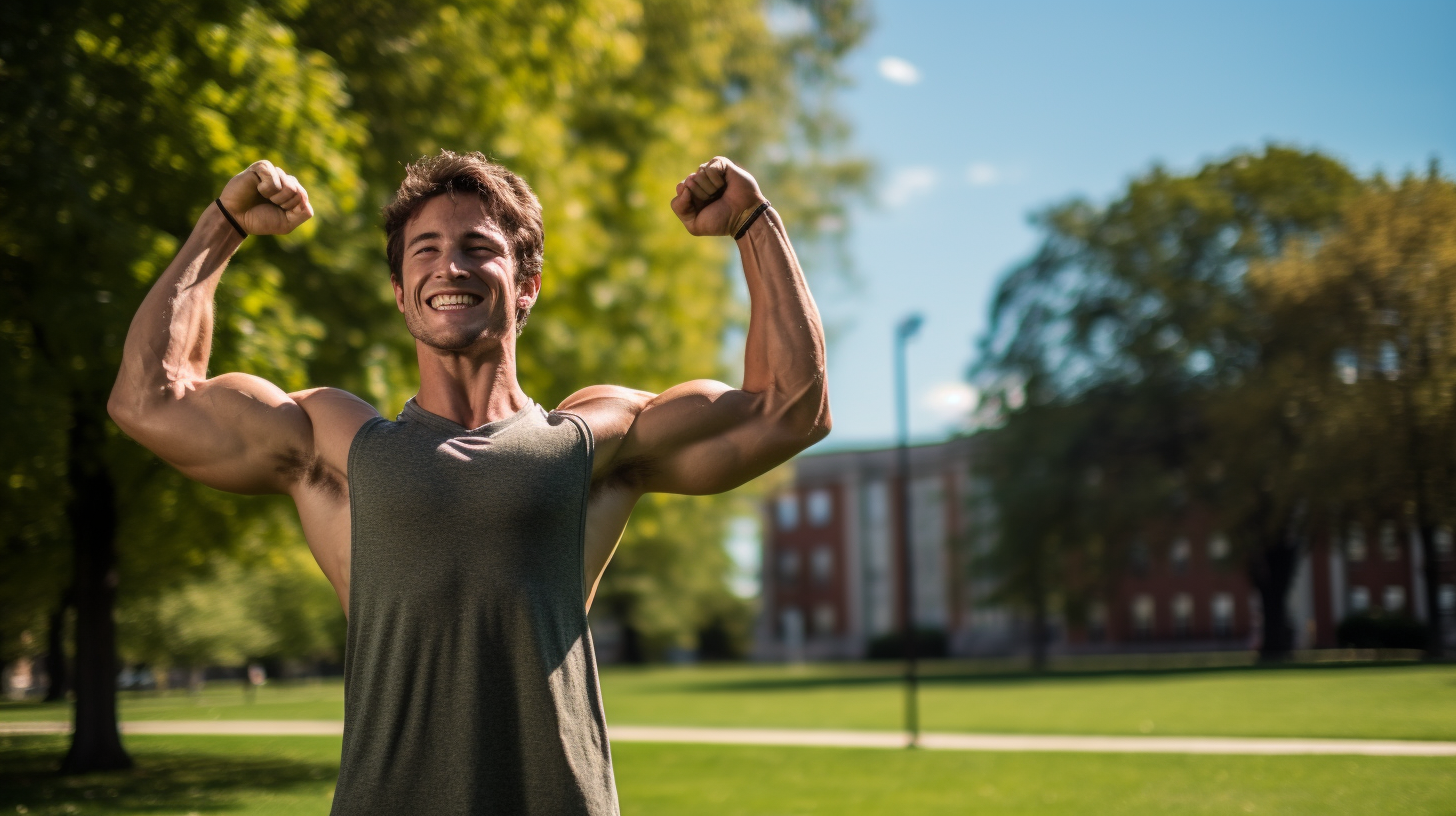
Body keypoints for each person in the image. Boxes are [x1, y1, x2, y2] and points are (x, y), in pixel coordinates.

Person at [108, 150, 829, 814]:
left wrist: (754, 224)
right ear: (400, 292)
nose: (449, 266)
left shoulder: (594, 441)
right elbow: (150, 400)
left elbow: (791, 409)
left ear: (527, 288)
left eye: (479, 248)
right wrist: (223, 224)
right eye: (426, 250)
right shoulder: (334, 443)